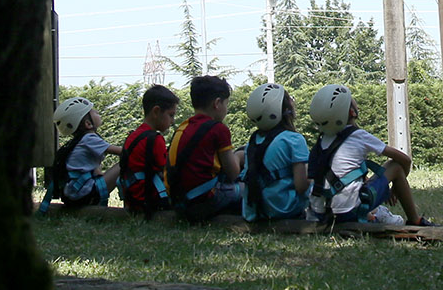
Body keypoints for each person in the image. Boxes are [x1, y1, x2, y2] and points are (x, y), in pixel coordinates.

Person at [302, 83, 431, 226]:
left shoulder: (321, 141)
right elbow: (405, 160)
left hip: (320, 213)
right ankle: (415, 220)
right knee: (394, 166)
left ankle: (375, 215)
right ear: (351, 112)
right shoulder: (359, 136)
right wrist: (396, 187)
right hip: (348, 213)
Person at [166, 74, 242, 221]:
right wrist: (239, 156)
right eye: (226, 104)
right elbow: (233, 172)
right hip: (202, 202)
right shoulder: (218, 129)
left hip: (180, 203)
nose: (226, 109)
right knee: (250, 190)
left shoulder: (183, 127)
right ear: (217, 103)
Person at [240, 83, 312, 222]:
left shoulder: (253, 141)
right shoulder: (294, 139)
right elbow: (301, 186)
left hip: (254, 211)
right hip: (284, 209)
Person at [44, 96, 119, 212]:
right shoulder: (89, 139)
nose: (97, 112)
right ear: (88, 124)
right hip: (84, 194)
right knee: (125, 162)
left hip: (73, 194)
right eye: (93, 111)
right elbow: (124, 152)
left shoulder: (78, 141)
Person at [117, 84, 179, 216]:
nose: (172, 121)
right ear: (156, 112)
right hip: (149, 199)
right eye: (171, 115)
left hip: (133, 198)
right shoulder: (155, 139)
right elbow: (166, 171)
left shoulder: (133, 135)